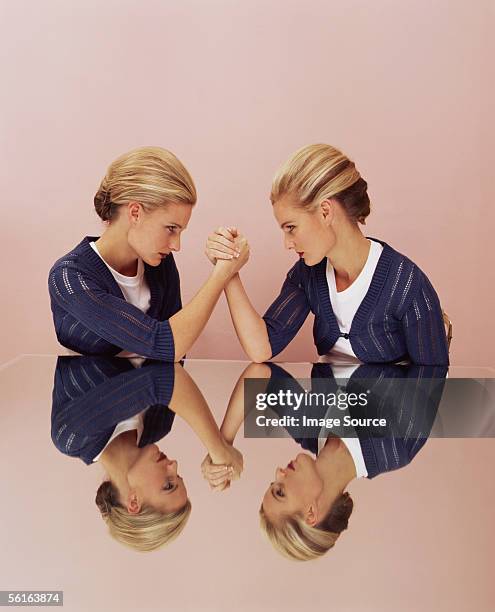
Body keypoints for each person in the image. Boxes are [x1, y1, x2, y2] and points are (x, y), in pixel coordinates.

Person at [205, 143, 449, 366]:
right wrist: (229, 270)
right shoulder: (307, 274)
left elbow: (432, 387)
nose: (287, 244)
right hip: (325, 409)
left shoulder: (407, 285)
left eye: (291, 228)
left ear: (325, 212)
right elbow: (261, 348)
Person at [48, 146, 248, 360]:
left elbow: (176, 358)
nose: (176, 245)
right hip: (92, 393)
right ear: (135, 213)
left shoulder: (160, 264)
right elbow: (167, 345)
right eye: (171, 228)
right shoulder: (69, 276)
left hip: (155, 392)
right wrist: (221, 274)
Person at [52, 356, 242, 552]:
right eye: (178, 476)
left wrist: (218, 449)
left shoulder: (73, 437)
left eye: (168, 485)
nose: (174, 465)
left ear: (133, 502)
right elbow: (175, 353)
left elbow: (166, 379)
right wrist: (225, 442)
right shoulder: (158, 427)